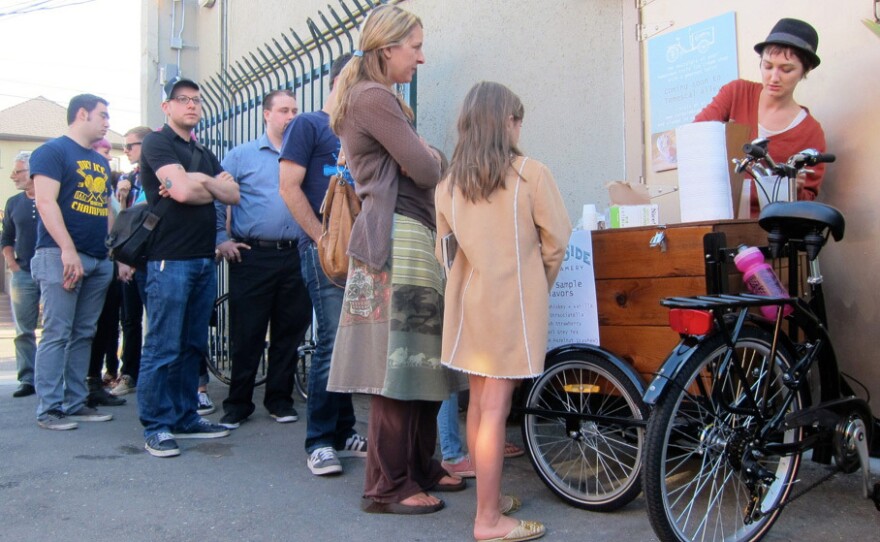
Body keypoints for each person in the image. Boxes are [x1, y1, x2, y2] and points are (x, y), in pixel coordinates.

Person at [327, 5, 466, 514]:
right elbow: (427, 170)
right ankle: (386, 487)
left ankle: (421, 467)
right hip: (395, 239)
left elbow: (425, 164)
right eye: (415, 47)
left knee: (422, 363)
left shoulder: (378, 98)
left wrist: (428, 157)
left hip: (409, 235)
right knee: (397, 366)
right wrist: (430, 156)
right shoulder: (373, 97)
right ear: (387, 49)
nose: (421, 58)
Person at [436, 81, 572, 541]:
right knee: (496, 409)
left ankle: (487, 502)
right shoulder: (531, 174)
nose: (520, 127)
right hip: (511, 303)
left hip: (469, 304)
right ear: (505, 122)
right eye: (518, 119)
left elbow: (446, 253)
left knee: (477, 404)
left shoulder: (448, 185)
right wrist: (537, 284)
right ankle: (488, 520)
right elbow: (556, 242)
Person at [135, 78, 239, 457]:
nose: (192, 106)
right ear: (168, 107)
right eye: (183, 100)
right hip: (169, 259)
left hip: (203, 259)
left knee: (192, 345)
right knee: (163, 345)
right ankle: (157, 425)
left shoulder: (204, 153)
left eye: (196, 101)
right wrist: (205, 185)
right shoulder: (156, 143)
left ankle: (185, 417)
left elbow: (234, 195)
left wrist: (200, 180)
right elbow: (180, 192)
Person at [279, 53, 369, 476]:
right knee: (333, 340)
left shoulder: (356, 130)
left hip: (358, 251)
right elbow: (288, 187)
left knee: (350, 342)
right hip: (322, 249)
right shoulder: (309, 124)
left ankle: (344, 429)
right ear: (342, 81)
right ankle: (318, 440)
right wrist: (321, 238)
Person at [215, 89, 313, 429]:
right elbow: (216, 198)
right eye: (284, 110)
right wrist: (221, 239)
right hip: (253, 256)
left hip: (295, 254)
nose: (290, 117)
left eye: (295, 111)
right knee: (248, 332)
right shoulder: (241, 156)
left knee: (289, 331)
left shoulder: (304, 154)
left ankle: (279, 399)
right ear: (266, 114)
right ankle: (238, 404)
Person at [29, 94, 116, 430]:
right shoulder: (52, 151)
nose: (108, 122)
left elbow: (105, 209)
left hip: (97, 258)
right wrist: (67, 250)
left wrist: (112, 253)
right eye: (103, 115)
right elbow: (47, 203)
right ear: (82, 114)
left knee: (83, 334)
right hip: (60, 255)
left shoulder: (101, 162)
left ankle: (76, 403)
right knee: (57, 332)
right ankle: (49, 409)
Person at [694, 18, 826, 217]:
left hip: (771, 230)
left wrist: (795, 188)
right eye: (768, 66)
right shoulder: (736, 93)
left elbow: (808, 199)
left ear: (804, 71)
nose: (774, 77)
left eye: (786, 69)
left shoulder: (810, 132)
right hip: (718, 216)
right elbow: (696, 136)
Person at [109, 126, 153, 397]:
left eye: (131, 146)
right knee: (130, 319)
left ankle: (153, 378)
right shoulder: (127, 178)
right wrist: (123, 198)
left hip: (150, 259)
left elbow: (148, 219)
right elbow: (124, 224)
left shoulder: (155, 175)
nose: (126, 151)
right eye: (124, 147)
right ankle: (130, 373)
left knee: (158, 321)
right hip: (129, 260)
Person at [84, 138, 126, 408]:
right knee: (83, 328)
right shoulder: (81, 177)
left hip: (107, 261)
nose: (107, 157)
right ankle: (80, 385)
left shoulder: (109, 188)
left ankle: (95, 382)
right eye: (103, 151)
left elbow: (116, 222)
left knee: (107, 326)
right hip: (85, 258)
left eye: (109, 152)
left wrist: (118, 257)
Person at [2, 151, 39, 398]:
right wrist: (12, 263)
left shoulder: (54, 197)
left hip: (54, 271)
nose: (13, 176)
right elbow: (6, 237)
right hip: (23, 274)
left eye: (18, 171)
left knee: (58, 330)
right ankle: (28, 378)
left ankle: (54, 378)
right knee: (24, 330)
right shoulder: (14, 203)